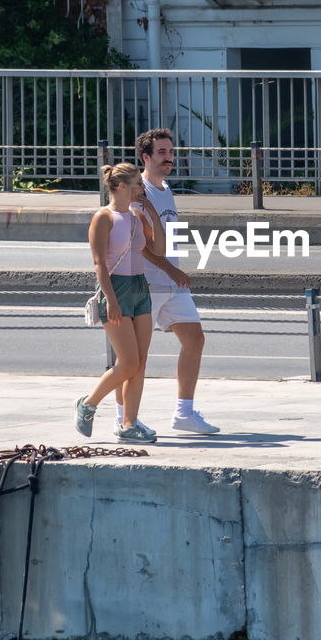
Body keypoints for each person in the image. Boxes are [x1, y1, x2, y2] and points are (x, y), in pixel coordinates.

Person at [114, 128, 219, 435]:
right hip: (146, 284)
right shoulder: (139, 192)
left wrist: (174, 269)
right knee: (134, 359)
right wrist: (171, 270)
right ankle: (123, 419)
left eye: (170, 152)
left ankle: (184, 413)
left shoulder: (166, 189)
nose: (168, 158)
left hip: (170, 283)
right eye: (161, 153)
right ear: (145, 157)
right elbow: (137, 244)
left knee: (195, 339)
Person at [75, 162, 165, 443]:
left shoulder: (137, 215)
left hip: (139, 287)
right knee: (127, 362)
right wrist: (111, 301)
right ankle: (88, 403)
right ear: (123, 186)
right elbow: (99, 264)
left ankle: (129, 423)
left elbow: (159, 250)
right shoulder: (104, 218)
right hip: (115, 290)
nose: (142, 188)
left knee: (140, 362)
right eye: (138, 183)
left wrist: (151, 213)